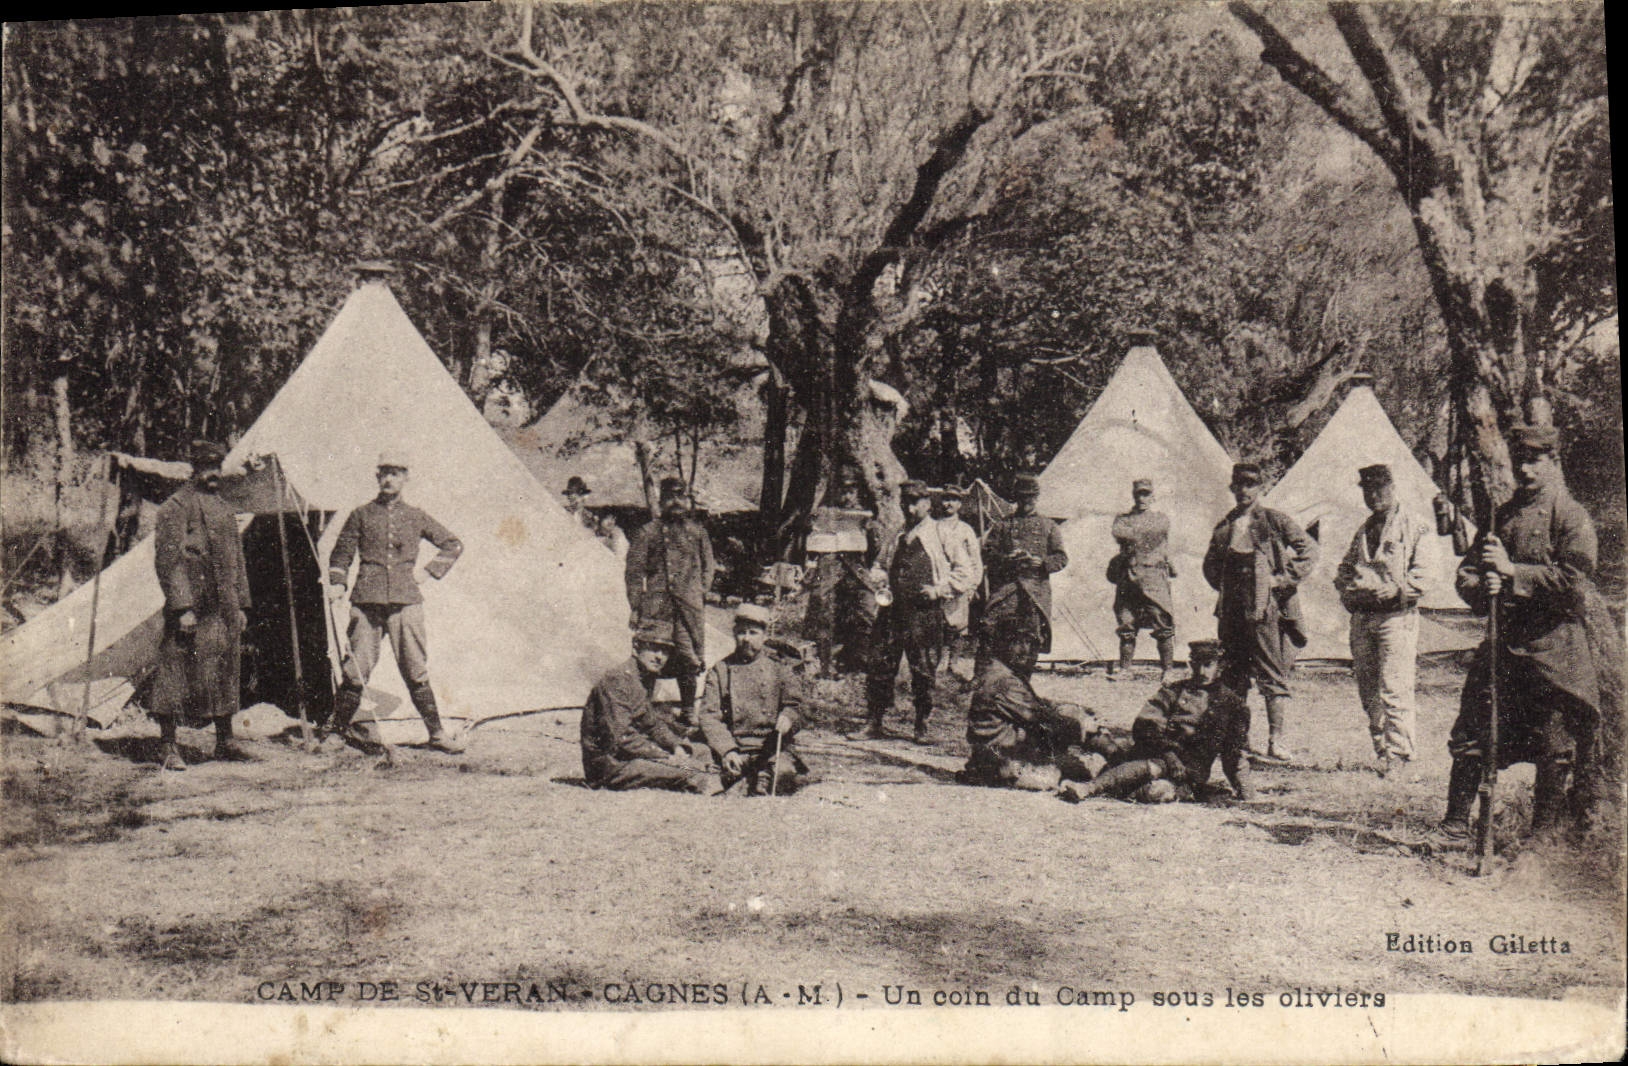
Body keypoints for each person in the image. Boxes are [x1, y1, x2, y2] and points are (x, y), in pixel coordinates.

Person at [1433, 423, 1602, 846]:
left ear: (1553, 462)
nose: (1525, 469)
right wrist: (1480, 586)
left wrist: (1512, 574)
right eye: (1519, 460)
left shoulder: (1570, 515)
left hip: (1553, 651)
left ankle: (1541, 839)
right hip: (1503, 648)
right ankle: (1455, 826)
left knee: (1553, 747)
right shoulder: (1501, 515)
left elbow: (1576, 582)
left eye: (1535, 459)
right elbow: (1468, 572)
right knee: (1473, 733)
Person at [325, 451, 465, 753]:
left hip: (406, 602)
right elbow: (341, 554)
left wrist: (428, 573)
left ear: (405, 478)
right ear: (377, 477)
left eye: (396, 473)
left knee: (415, 668)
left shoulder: (416, 516)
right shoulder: (361, 514)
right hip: (367, 601)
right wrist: (338, 583)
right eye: (384, 473)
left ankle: (437, 734)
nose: (389, 478)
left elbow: (453, 544)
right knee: (356, 669)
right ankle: (337, 733)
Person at [1202, 462, 1317, 765]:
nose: (1244, 490)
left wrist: (1281, 579)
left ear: (1260, 488)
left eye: (1250, 484)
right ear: (1232, 488)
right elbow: (1210, 565)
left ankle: (1276, 740)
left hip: (1265, 609)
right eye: (1239, 484)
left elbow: (1308, 550)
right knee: (1234, 672)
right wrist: (1227, 587)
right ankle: (1239, 738)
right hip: (1232, 610)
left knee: (1271, 671)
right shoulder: (1226, 525)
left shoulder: (1274, 521)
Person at [150, 440, 253, 769]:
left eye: (217, 468)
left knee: (225, 669)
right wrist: (183, 607)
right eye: (207, 468)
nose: (213, 475)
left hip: (223, 606)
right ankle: (168, 745)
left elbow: (237, 560)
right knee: (176, 671)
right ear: (194, 469)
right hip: (192, 606)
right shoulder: (175, 507)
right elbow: (168, 561)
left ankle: (225, 740)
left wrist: (241, 605)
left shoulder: (224, 508)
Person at [1333, 463, 1437, 777]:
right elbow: (1344, 571)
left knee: (1394, 685)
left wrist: (1397, 589)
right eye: (1368, 489)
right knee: (1368, 687)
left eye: (1380, 488)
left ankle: (1401, 755)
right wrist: (1350, 591)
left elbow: (1426, 574)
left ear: (1392, 487)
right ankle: (1382, 749)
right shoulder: (1364, 530)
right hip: (1364, 617)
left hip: (1396, 616)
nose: (1374, 495)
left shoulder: (1414, 525)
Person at [1059, 640, 1253, 804]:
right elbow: (1144, 725)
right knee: (1134, 763)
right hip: (1157, 753)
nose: (1201, 671)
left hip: (1190, 769)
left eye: (1208, 664)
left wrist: (1246, 793)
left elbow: (1234, 753)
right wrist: (1169, 754)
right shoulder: (1173, 691)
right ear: (1191, 663)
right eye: (1196, 663)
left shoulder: (1233, 705)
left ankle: (1098, 785)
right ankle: (1090, 787)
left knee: (1158, 790)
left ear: (1221, 666)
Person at [863, 481, 974, 743]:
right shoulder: (898, 534)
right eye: (905, 502)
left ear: (927, 503)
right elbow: (879, 565)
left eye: (915, 502)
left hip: (924, 614)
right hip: (892, 611)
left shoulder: (942, 533)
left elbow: (965, 572)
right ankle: (874, 722)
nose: (909, 508)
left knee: (923, 669)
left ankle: (921, 724)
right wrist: (880, 579)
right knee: (880, 663)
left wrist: (939, 590)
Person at [960, 628, 1107, 790]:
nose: (1026, 649)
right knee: (1079, 771)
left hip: (994, 755)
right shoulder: (1004, 681)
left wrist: (1076, 708)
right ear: (1001, 645)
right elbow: (1041, 717)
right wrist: (1084, 724)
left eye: (1029, 643)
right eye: (1017, 642)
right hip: (1005, 763)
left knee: (1077, 761)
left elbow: (1038, 704)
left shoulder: (1000, 672)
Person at [580, 625, 720, 794]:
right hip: (611, 766)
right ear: (636, 648)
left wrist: (675, 746)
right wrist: (665, 756)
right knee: (691, 771)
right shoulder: (617, 679)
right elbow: (621, 737)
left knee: (701, 752)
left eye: (665, 651)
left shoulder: (644, 677)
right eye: (653, 649)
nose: (659, 657)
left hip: (633, 756)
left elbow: (652, 724)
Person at [625, 476, 716, 729]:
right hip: (657, 607)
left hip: (688, 609)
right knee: (652, 657)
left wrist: (700, 592)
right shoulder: (648, 532)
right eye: (670, 497)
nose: (676, 502)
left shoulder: (698, 532)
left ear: (686, 500)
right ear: (662, 500)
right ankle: (642, 709)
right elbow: (634, 572)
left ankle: (688, 710)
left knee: (689, 658)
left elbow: (709, 566)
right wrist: (636, 605)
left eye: (680, 496)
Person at [699, 604, 806, 795]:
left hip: (772, 747)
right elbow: (709, 715)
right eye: (741, 633)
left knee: (783, 773)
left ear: (764, 636)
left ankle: (759, 778)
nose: (746, 639)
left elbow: (797, 706)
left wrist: (788, 717)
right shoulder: (721, 669)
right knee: (704, 774)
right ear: (734, 634)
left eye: (753, 633)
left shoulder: (780, 667)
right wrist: (727, 750)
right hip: (736, 745)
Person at [978, 474, 1067, 677]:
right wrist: (1007, 558)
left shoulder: (1048, 526)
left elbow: (1061, 557)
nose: (1026, 502)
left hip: (1035, 590)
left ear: (1036, 498)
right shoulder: (1003, 525)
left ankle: (1023, 682)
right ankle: (986, 679)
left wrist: (1043, 563)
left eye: (1030, 497)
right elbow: (987, 553)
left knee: (1030, 638)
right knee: (990, 627)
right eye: (1022, 497)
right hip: (1007, 588)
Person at [804, 476, 884, 677]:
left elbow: (876, 547)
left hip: (856, 565)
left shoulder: (865, 515)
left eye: (851, 491)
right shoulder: (824, 512)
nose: (846, 495)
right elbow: (812, 543)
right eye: (842, 491)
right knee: (823, 609)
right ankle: (824, 664)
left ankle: (862, 663)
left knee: (866, 607)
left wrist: (869, 530)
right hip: (830, 564)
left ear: (857, 492)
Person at [1108, 478, 1177, 681]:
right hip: (1128, 577)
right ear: (1133, 495)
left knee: (1161, 620)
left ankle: (1168, 670)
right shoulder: (1122, 519)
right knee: (1126, 622)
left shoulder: (1160, 518)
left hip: (1153, 577)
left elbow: (1158, 531)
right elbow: (1118, 531)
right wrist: (1141, 533)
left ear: (1153, 496)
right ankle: (1125, 669)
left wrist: (1134, 532)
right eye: (1139, 494)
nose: (1142, 498)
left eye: (1146, 494)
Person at [932, 484, 984, 650]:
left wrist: (973, 585)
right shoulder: (933, 527)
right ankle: (939, 661)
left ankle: (953, 664)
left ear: (960, 504)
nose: (949, 504)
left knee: (957, 625)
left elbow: (975, 560)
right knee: (937, 624)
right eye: (946, 499)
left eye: (953, 500)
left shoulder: (965, 530)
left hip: (960, 582)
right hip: (938, 580)